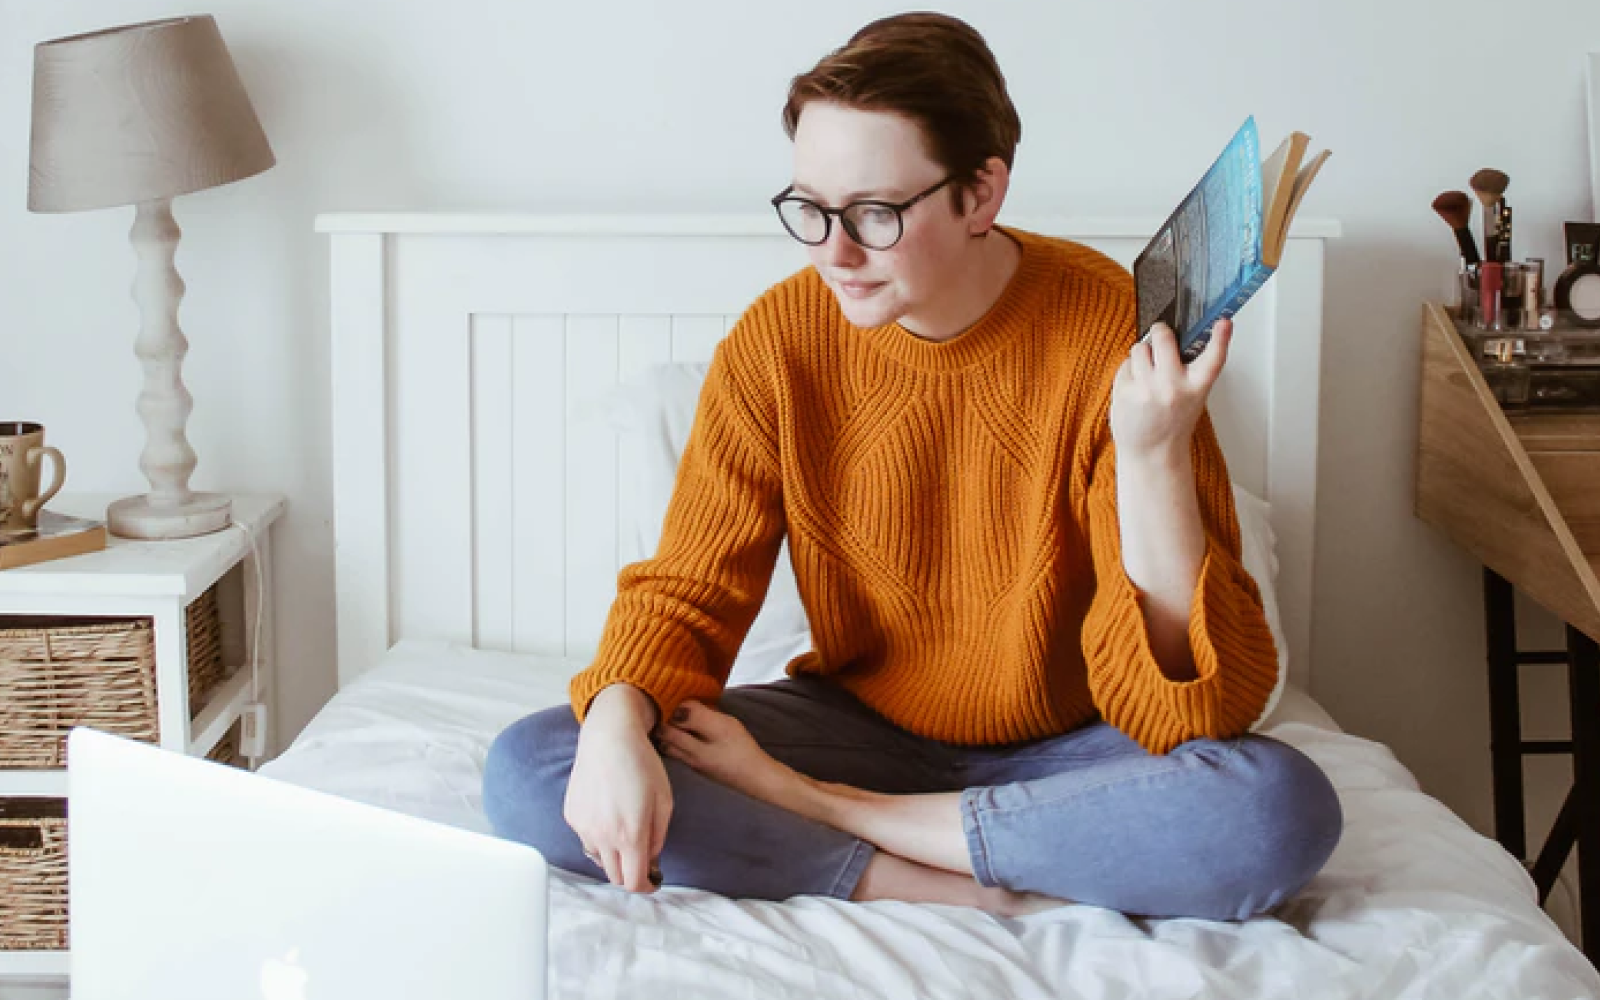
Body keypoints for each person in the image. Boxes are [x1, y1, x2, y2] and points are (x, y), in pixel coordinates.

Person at [482, 11, 1341, 921]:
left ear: (981, 194)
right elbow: (691, 588)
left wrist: (1153, 452)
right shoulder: (779, 341)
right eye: (809, 208)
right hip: (858, 724)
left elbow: (1191, 715)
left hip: (1077, 747)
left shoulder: (1106, 331)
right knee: (535, 767)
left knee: (1274, 807)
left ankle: (844, 822)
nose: (833, 253)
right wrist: (620, 714)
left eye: (875, 214)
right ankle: (948, 878)